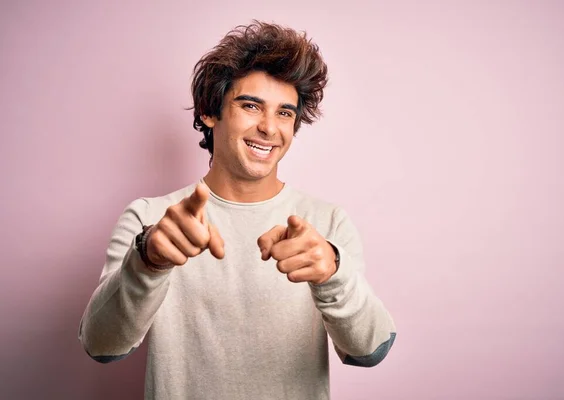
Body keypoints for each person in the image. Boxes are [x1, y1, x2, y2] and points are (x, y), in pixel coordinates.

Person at [79, 21, 396, 400]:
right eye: (250, 106)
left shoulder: (326, 224)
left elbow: (371, 350)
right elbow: (101, 346)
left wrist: (332, 274)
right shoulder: (150, 218)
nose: (268, 128)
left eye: (284, 113)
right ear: (210, 112)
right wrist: (147, 260)